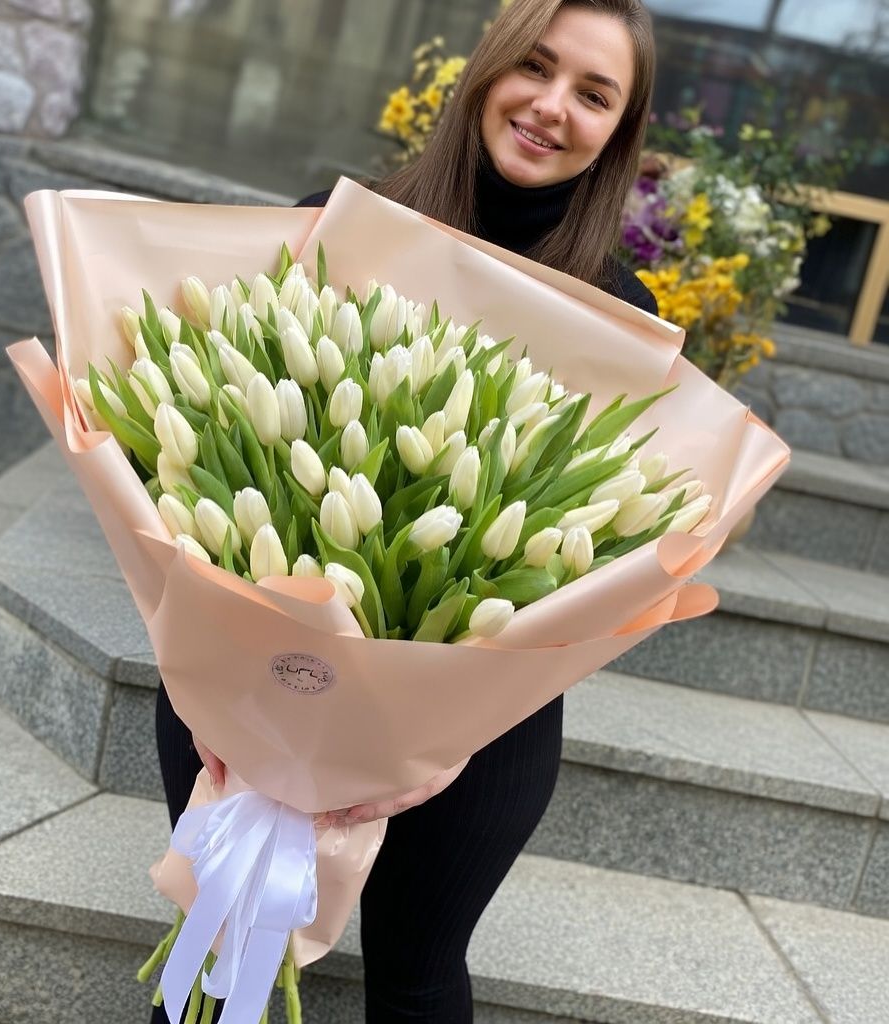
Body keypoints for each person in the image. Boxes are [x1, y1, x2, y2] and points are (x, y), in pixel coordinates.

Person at [152, 0, 657, 1020]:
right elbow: (190, 456)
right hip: (255, 677)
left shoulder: (622, 316)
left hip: (483, 726)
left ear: (618, 130)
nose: (551, 106)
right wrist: (224, 692)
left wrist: (435, 744)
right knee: (223, 949)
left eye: (593, 94)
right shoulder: (336, 227)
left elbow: (597, 556)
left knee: (418, 977)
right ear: (488, 68)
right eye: (536, 67)